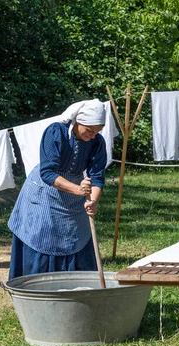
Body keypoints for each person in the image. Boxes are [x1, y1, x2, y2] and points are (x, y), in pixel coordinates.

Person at [8, 99, 107, 279]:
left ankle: (76, 288)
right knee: (43, 236)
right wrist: (77, 190)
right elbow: (47, 173)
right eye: (89, 130)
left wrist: (92, 201)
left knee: (75, 237)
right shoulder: (56, 132)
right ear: (78, 121)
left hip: (75, 193)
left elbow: (98, 177)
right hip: (44, 192)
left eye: (97, 132)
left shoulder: (97, 142)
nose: (93, 135)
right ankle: (37, 287)